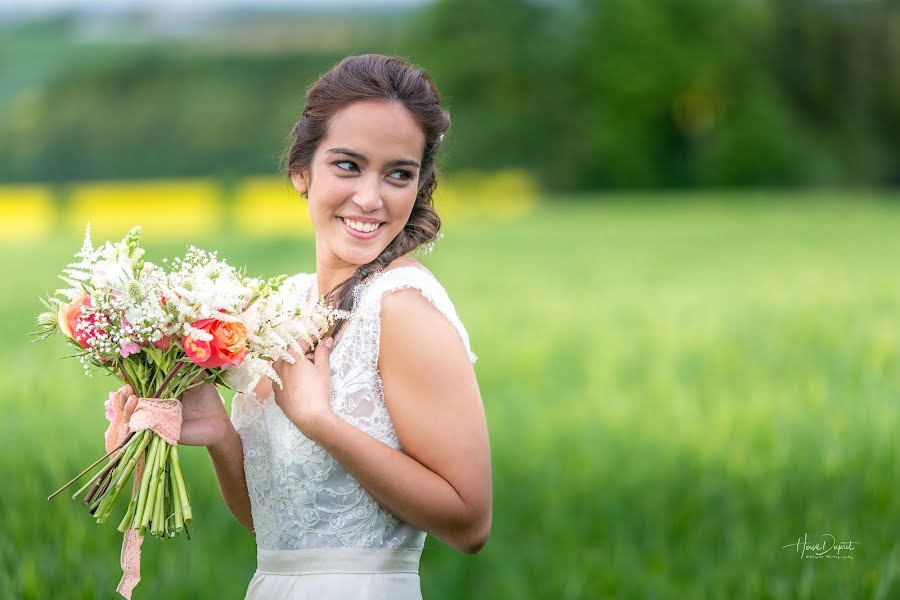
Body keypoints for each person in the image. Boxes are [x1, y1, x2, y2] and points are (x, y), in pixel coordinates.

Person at [106, 54, 492, 599]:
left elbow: (470, 523)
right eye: (348, 165)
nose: (370, 197)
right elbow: (277, 529)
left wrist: (319, 420)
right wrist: (218, 431)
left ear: (420, 186)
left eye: (398, 174)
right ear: (300, 169)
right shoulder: (281, 307)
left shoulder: (401, 308)